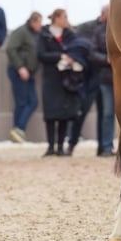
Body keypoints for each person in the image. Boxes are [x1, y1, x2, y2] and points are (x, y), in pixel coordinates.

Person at [36, 8, 81, 156]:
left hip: (66, 79)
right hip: (51, 78)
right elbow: (41, 54)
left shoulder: (70, 35)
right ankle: (50, 147)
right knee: (51, 114)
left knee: (64, 114)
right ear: (56, 18)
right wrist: (60, 56)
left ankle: (61, 146)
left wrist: (72, 58)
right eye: (64, 17)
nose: (66, 20)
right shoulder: (45, 35)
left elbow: (78, 49)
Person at [67, 6, 108, 155]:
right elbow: (80, 48)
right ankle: (71, 144)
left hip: (104, 77)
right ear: (103, 14)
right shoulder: (85, 27)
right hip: (87, 77)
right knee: (81, 111)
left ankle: (103, 147)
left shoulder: (114, 28)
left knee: (104, 114)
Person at [5, 11, 43, 143]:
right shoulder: (21, 32)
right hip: (19, 71)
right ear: (32, 21)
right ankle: (18, 130)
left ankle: (18, 130)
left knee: (32, 102)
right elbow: (10, 48)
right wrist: (20, 67)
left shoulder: (36, 34)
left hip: (30, 72)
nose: (41, 25)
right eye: (39, 22)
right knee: (22, 102)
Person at [88, 5, 115, 157]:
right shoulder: (98, 32)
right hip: (106, 78)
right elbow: (92, 53)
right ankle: (106, 146)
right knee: (108, 113)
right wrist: (107, 60)